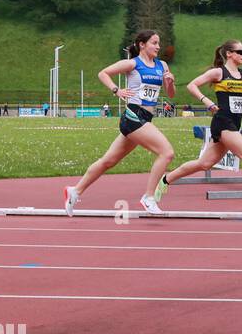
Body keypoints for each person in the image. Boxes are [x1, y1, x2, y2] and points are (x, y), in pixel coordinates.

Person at [154, 40, 242, 216]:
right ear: (229, 54)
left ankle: (165, 179)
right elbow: (192, 85)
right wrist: (207, 101)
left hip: (235, 123)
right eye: (240, 51)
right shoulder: (219, 72)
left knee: (204, 164)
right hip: (222, 122)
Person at [64, 30, 176, 217]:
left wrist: (170, 83)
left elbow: (170, 94)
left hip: (145, 119)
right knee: (167, 152)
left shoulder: (162, 65)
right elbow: (103, 73)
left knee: (108, 161)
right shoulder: (132, 63)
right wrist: (116, 90)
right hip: (133, 117)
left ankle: (75, 191)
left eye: (159, 43)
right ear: (142, 44)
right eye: (154, 43)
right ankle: (149, 197)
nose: (158, 46)